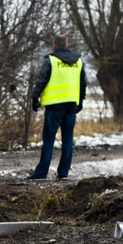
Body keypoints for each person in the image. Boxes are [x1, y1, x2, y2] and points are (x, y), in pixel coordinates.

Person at [29, 35, 87, 180]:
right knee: (68, 141)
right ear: (67, 46)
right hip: (71, 106)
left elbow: (41, 80)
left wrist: (35, 98)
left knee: (48, 142)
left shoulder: (51, 60)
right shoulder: (78, 61)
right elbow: (83, 84)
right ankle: (63, 173)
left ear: (54, 46)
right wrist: (80, 102)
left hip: (54, 107)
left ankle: (41, 173)